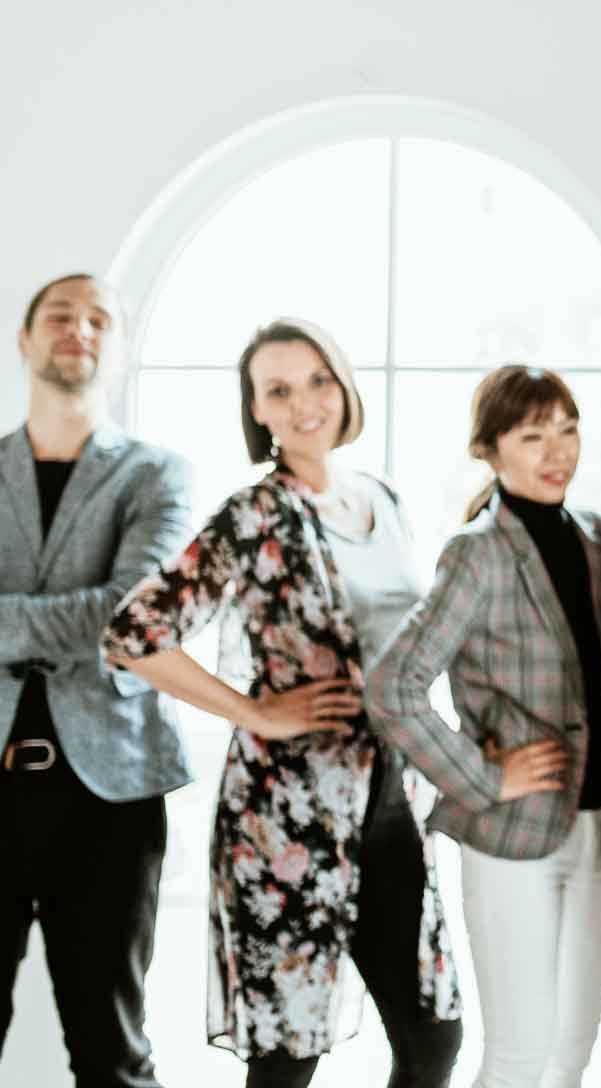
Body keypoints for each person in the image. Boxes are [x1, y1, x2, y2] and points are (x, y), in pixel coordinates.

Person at [101, 318, 462, 1088]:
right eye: (279, 390)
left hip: (392, 800)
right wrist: (257, 712)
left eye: (318, 381)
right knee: (288, 1059)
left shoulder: (383, 498)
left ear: (343, 385)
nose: (305, 404)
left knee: (434, 1036)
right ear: (257, 410)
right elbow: (133, 633)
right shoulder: (254, 513)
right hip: (285, 818)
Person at [367, 365, 601, 1088]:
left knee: (571, 1054)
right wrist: (482, 777)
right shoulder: (476, 553)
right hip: (514, 836)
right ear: (490, 449)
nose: (557, 451)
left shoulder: (600, 537)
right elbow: (392, 686)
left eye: (568, 430)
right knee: (518, 1054)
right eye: (533, 434)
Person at [0, 274, 193, 1088]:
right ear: (25, 339)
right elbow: (101, 619)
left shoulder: (157, 473)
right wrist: (77, 622)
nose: (78, 329)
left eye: (98, 320)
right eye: (59, 316)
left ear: (118, 348)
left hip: (109, 795)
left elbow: (132, 618)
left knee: (111, 1051)